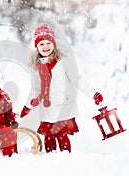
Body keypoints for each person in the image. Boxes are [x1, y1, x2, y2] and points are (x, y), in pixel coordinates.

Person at [20, 23, 104, 153]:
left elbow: (77, 78)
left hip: (63, 105)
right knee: (49, 137)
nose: (45, 46)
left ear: (54, 44)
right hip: (46, 108)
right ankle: (51, 161)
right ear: (37, 48)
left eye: (48, 43)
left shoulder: (62, 61)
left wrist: (94, 94)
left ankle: (66, 159)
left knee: (61, 135)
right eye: (41, 44)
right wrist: (27, 106)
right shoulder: (37, 67)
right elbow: (34, 89)